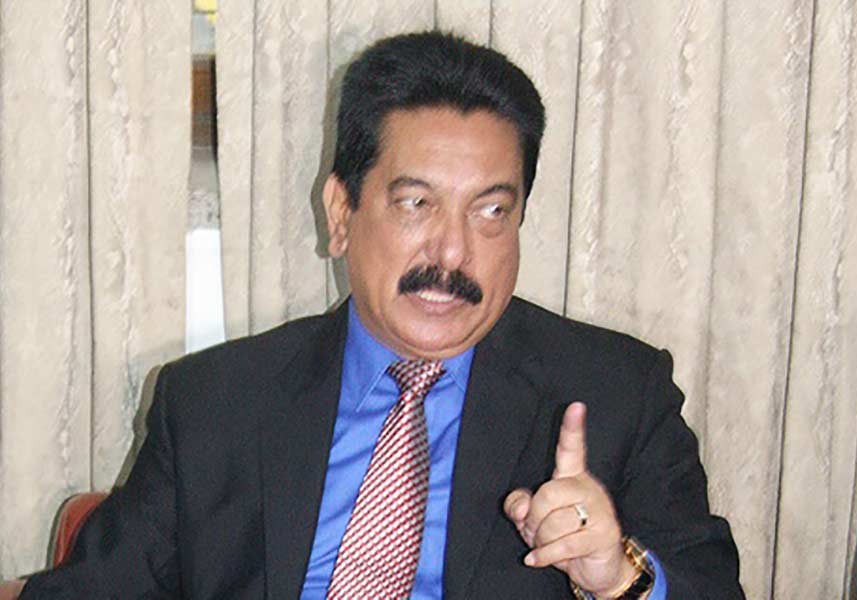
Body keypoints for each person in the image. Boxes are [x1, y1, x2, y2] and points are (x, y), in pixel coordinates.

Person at [4, 31, 742, 599]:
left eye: (491, 211)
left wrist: (619, 578)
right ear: (341, 213)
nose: (452, 252)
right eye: (416, 203)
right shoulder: (214, 403)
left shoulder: (617, 394)